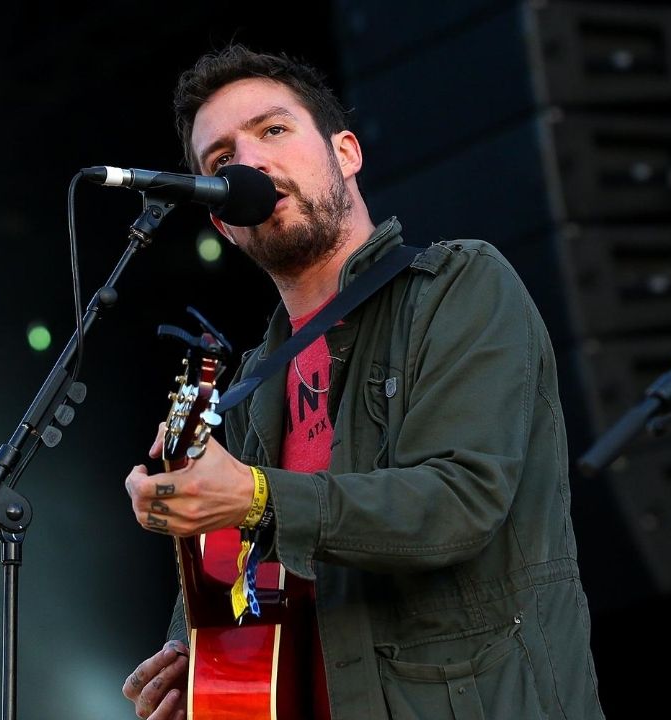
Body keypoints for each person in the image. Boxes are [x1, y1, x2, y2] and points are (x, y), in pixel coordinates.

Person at [121, 45, 605, 720]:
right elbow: (250, 583)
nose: (249, 163)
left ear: (345, 152)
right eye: (221, 161)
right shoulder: (251, 388)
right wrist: (193, 661)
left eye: (273, 130)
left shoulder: (460, 285)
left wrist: (256, 496)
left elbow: (459, 502)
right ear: (222, 224)